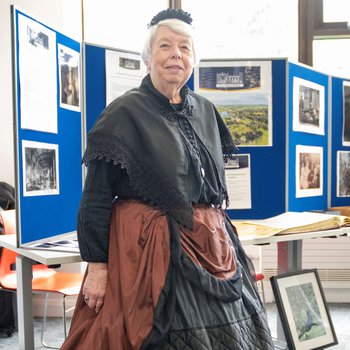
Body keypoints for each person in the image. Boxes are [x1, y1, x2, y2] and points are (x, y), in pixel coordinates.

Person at [61, 8, 274, 350]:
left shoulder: (205, 110)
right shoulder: (123, 113)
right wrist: (98, 267)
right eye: (165, 46)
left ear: (193, 60)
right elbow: (96, 197)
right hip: (149, 253)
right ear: (148, 58)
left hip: (212, 245)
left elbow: (210, 186)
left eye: (185, 47)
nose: (176, 54)